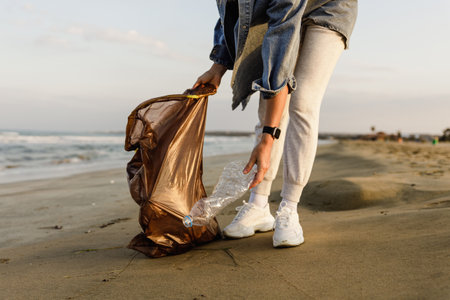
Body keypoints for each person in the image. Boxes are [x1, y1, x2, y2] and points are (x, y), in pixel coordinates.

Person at [193, 0, 357, 247]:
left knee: (302, 101)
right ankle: (259, 205)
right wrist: (218, 66)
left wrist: (268, 138)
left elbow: (282, 34)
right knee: (268, 107)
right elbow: (232, 15)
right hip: (284, 13)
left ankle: (289, 208)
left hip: (328, 7)